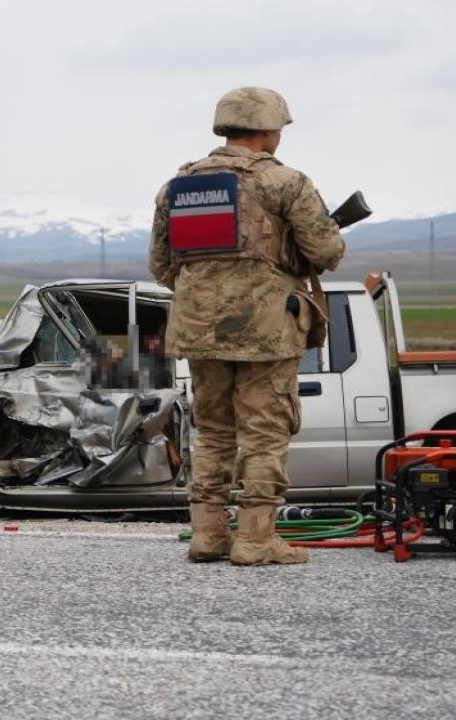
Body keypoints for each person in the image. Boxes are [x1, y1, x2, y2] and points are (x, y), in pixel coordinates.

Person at [149, 87, 345, 566]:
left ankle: (209, 536)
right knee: (264, 431)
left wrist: (208, 287)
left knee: (213, 429)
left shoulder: (178, 187)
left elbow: (162, 265)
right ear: (267, 130)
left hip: (199, 329)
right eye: (279, 128)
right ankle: (256, 540)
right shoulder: (284, 182)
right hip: (266, 330)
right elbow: (327, 253)